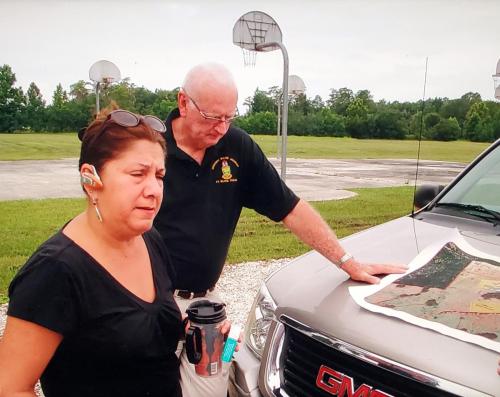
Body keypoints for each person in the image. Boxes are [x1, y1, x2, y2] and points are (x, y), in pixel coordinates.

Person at [153, 63, 408, 397]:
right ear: (183, 102)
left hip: (204, 306)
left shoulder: (237, 148)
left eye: (230, 116)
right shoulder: (150, 148)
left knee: (210, 386)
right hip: (148, 302)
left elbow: (290, 208)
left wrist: (348, 262)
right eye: (212, 117)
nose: (221, 128)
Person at [0, 106, 184, 397]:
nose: (154, 189)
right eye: (138, 174)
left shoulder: (150, 240)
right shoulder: (56, 270)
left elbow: (145, 331)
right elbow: (10, 387)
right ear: (91, 179)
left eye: (159, 175)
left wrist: (198, 332)